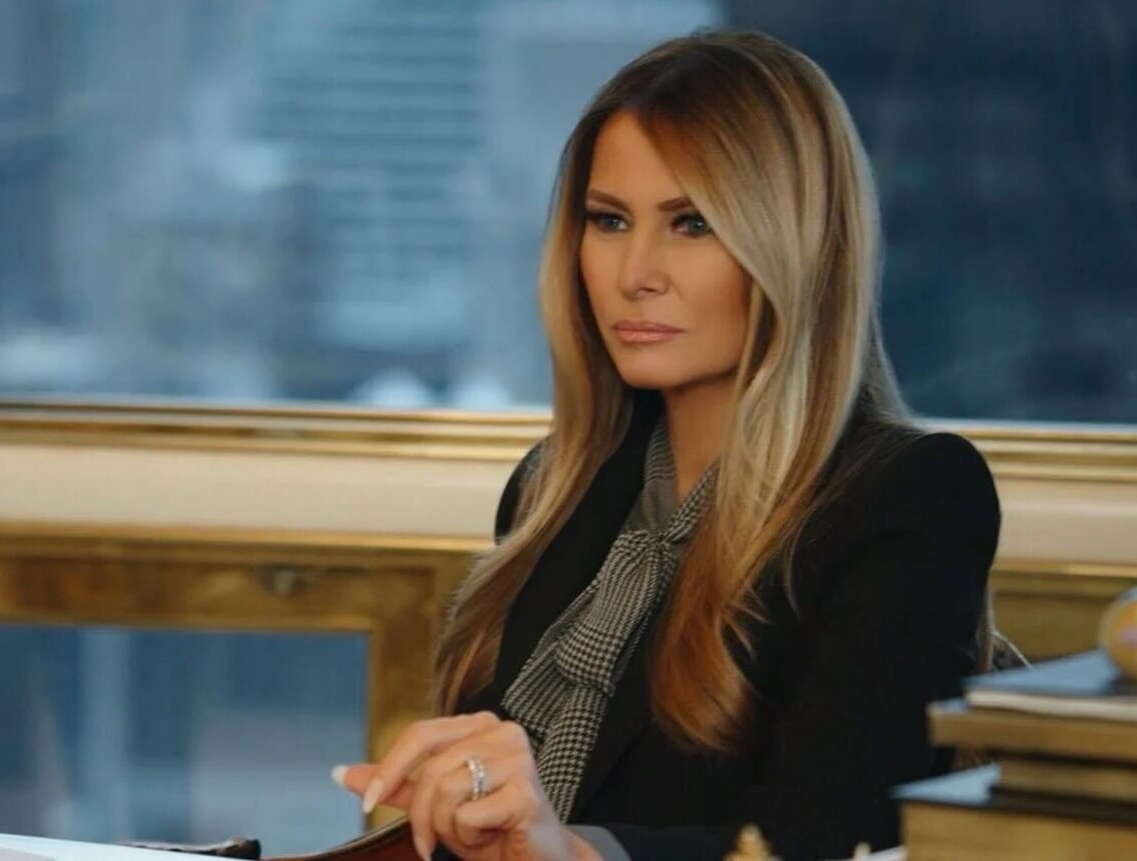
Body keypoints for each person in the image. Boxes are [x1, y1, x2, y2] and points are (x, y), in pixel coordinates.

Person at [332, 29, 1000, 861]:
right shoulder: (553, 488)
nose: (635, 272)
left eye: (692, 223)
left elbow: (830, 842)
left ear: (793, 246)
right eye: (609, 220)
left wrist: (575, 852)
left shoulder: (909, 497)